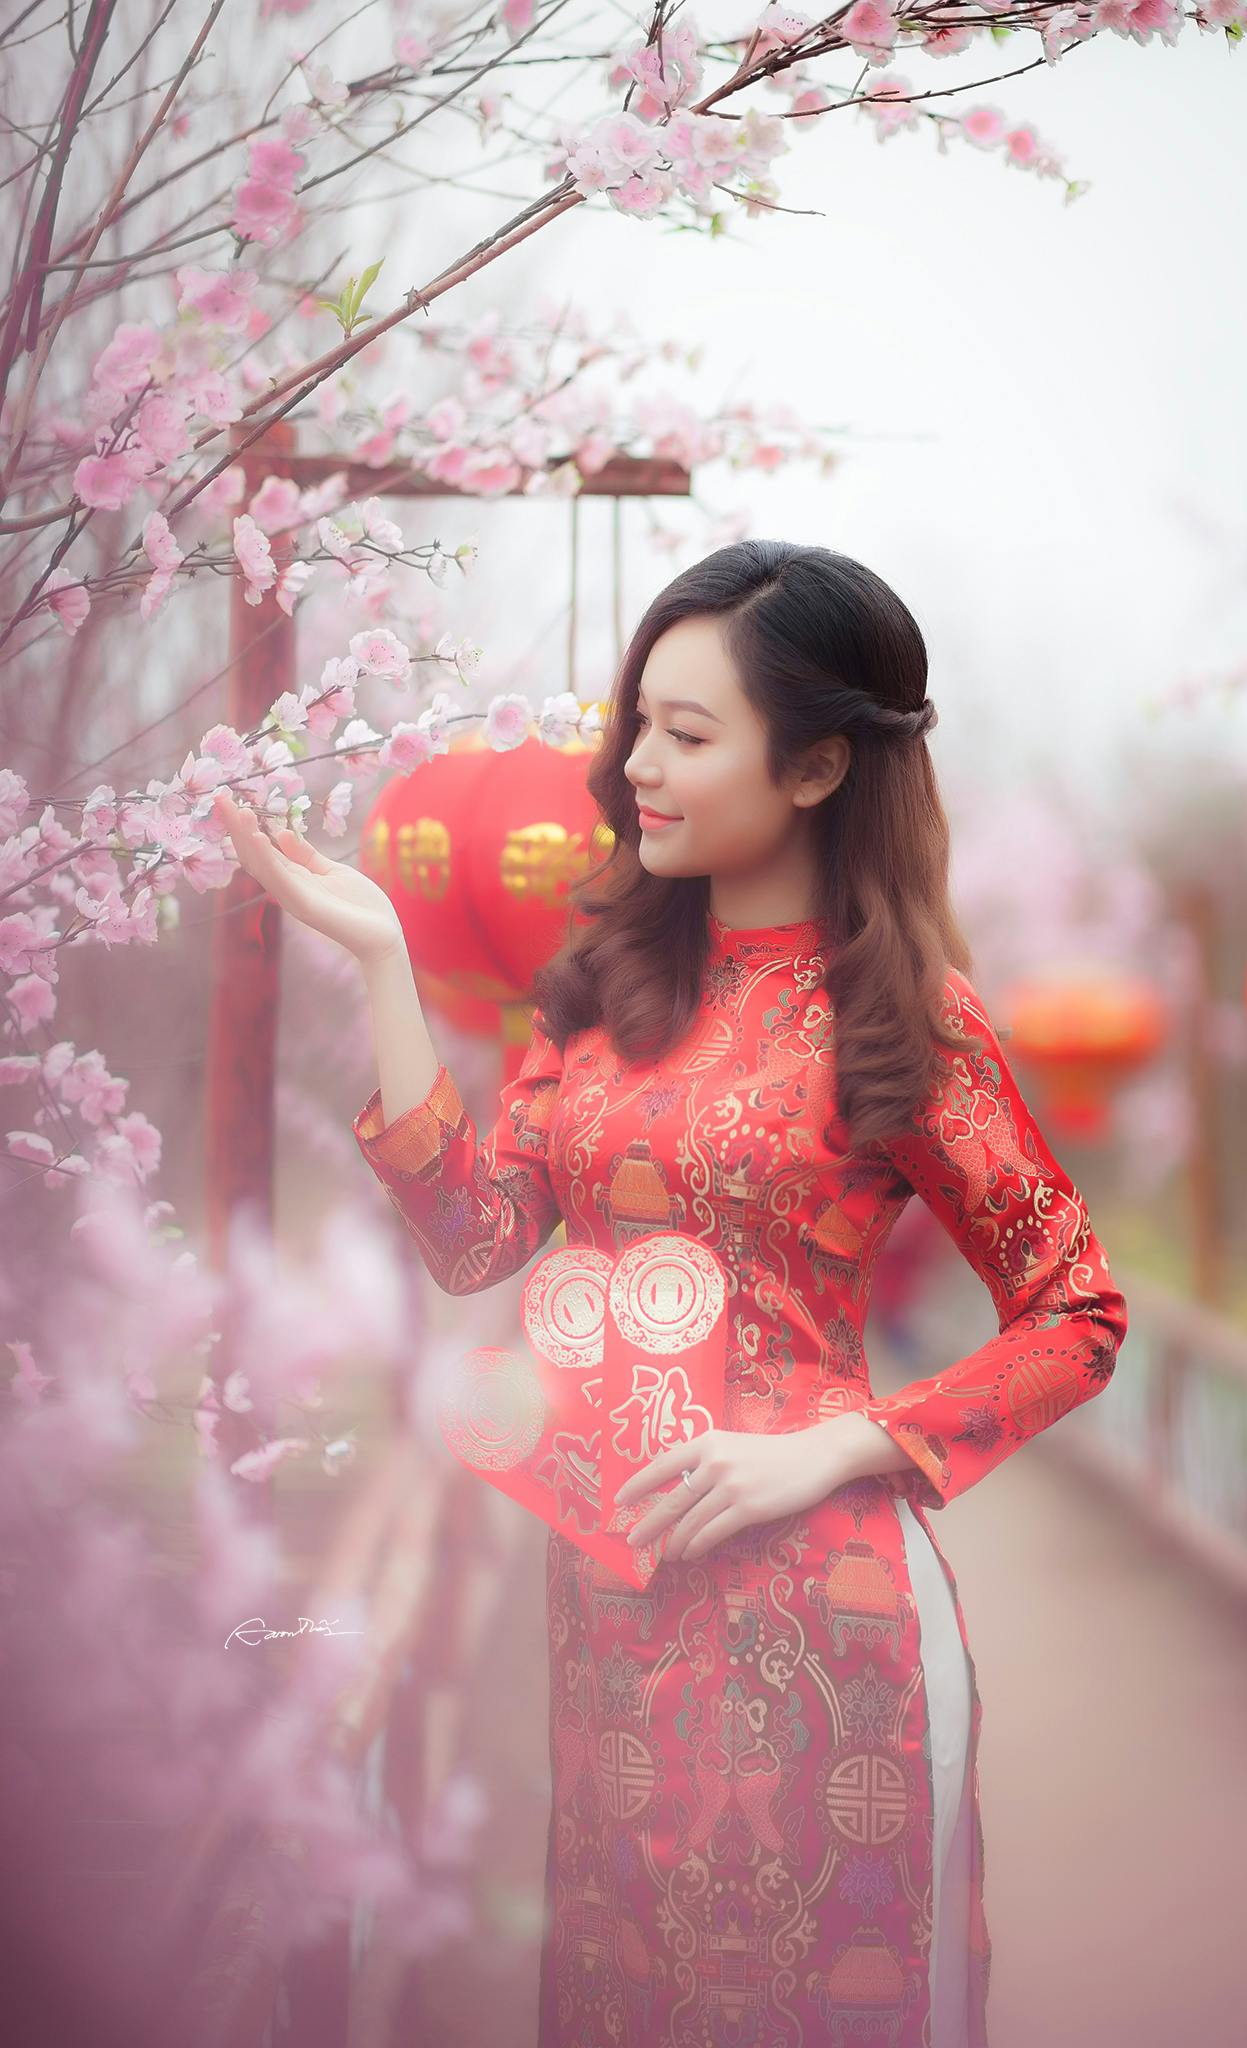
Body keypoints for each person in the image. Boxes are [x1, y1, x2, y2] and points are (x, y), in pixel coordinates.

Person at [213, 538, 1128, 2048]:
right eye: (637, 720)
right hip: (620, 1624)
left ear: (821, 765)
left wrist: (833, 1445)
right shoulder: (602, 987)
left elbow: (1076, 1311)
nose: (633, 762)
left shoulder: (902, 1018)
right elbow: (472, 1236)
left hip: (832, 1626)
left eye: (685, 734)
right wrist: (383, 963)